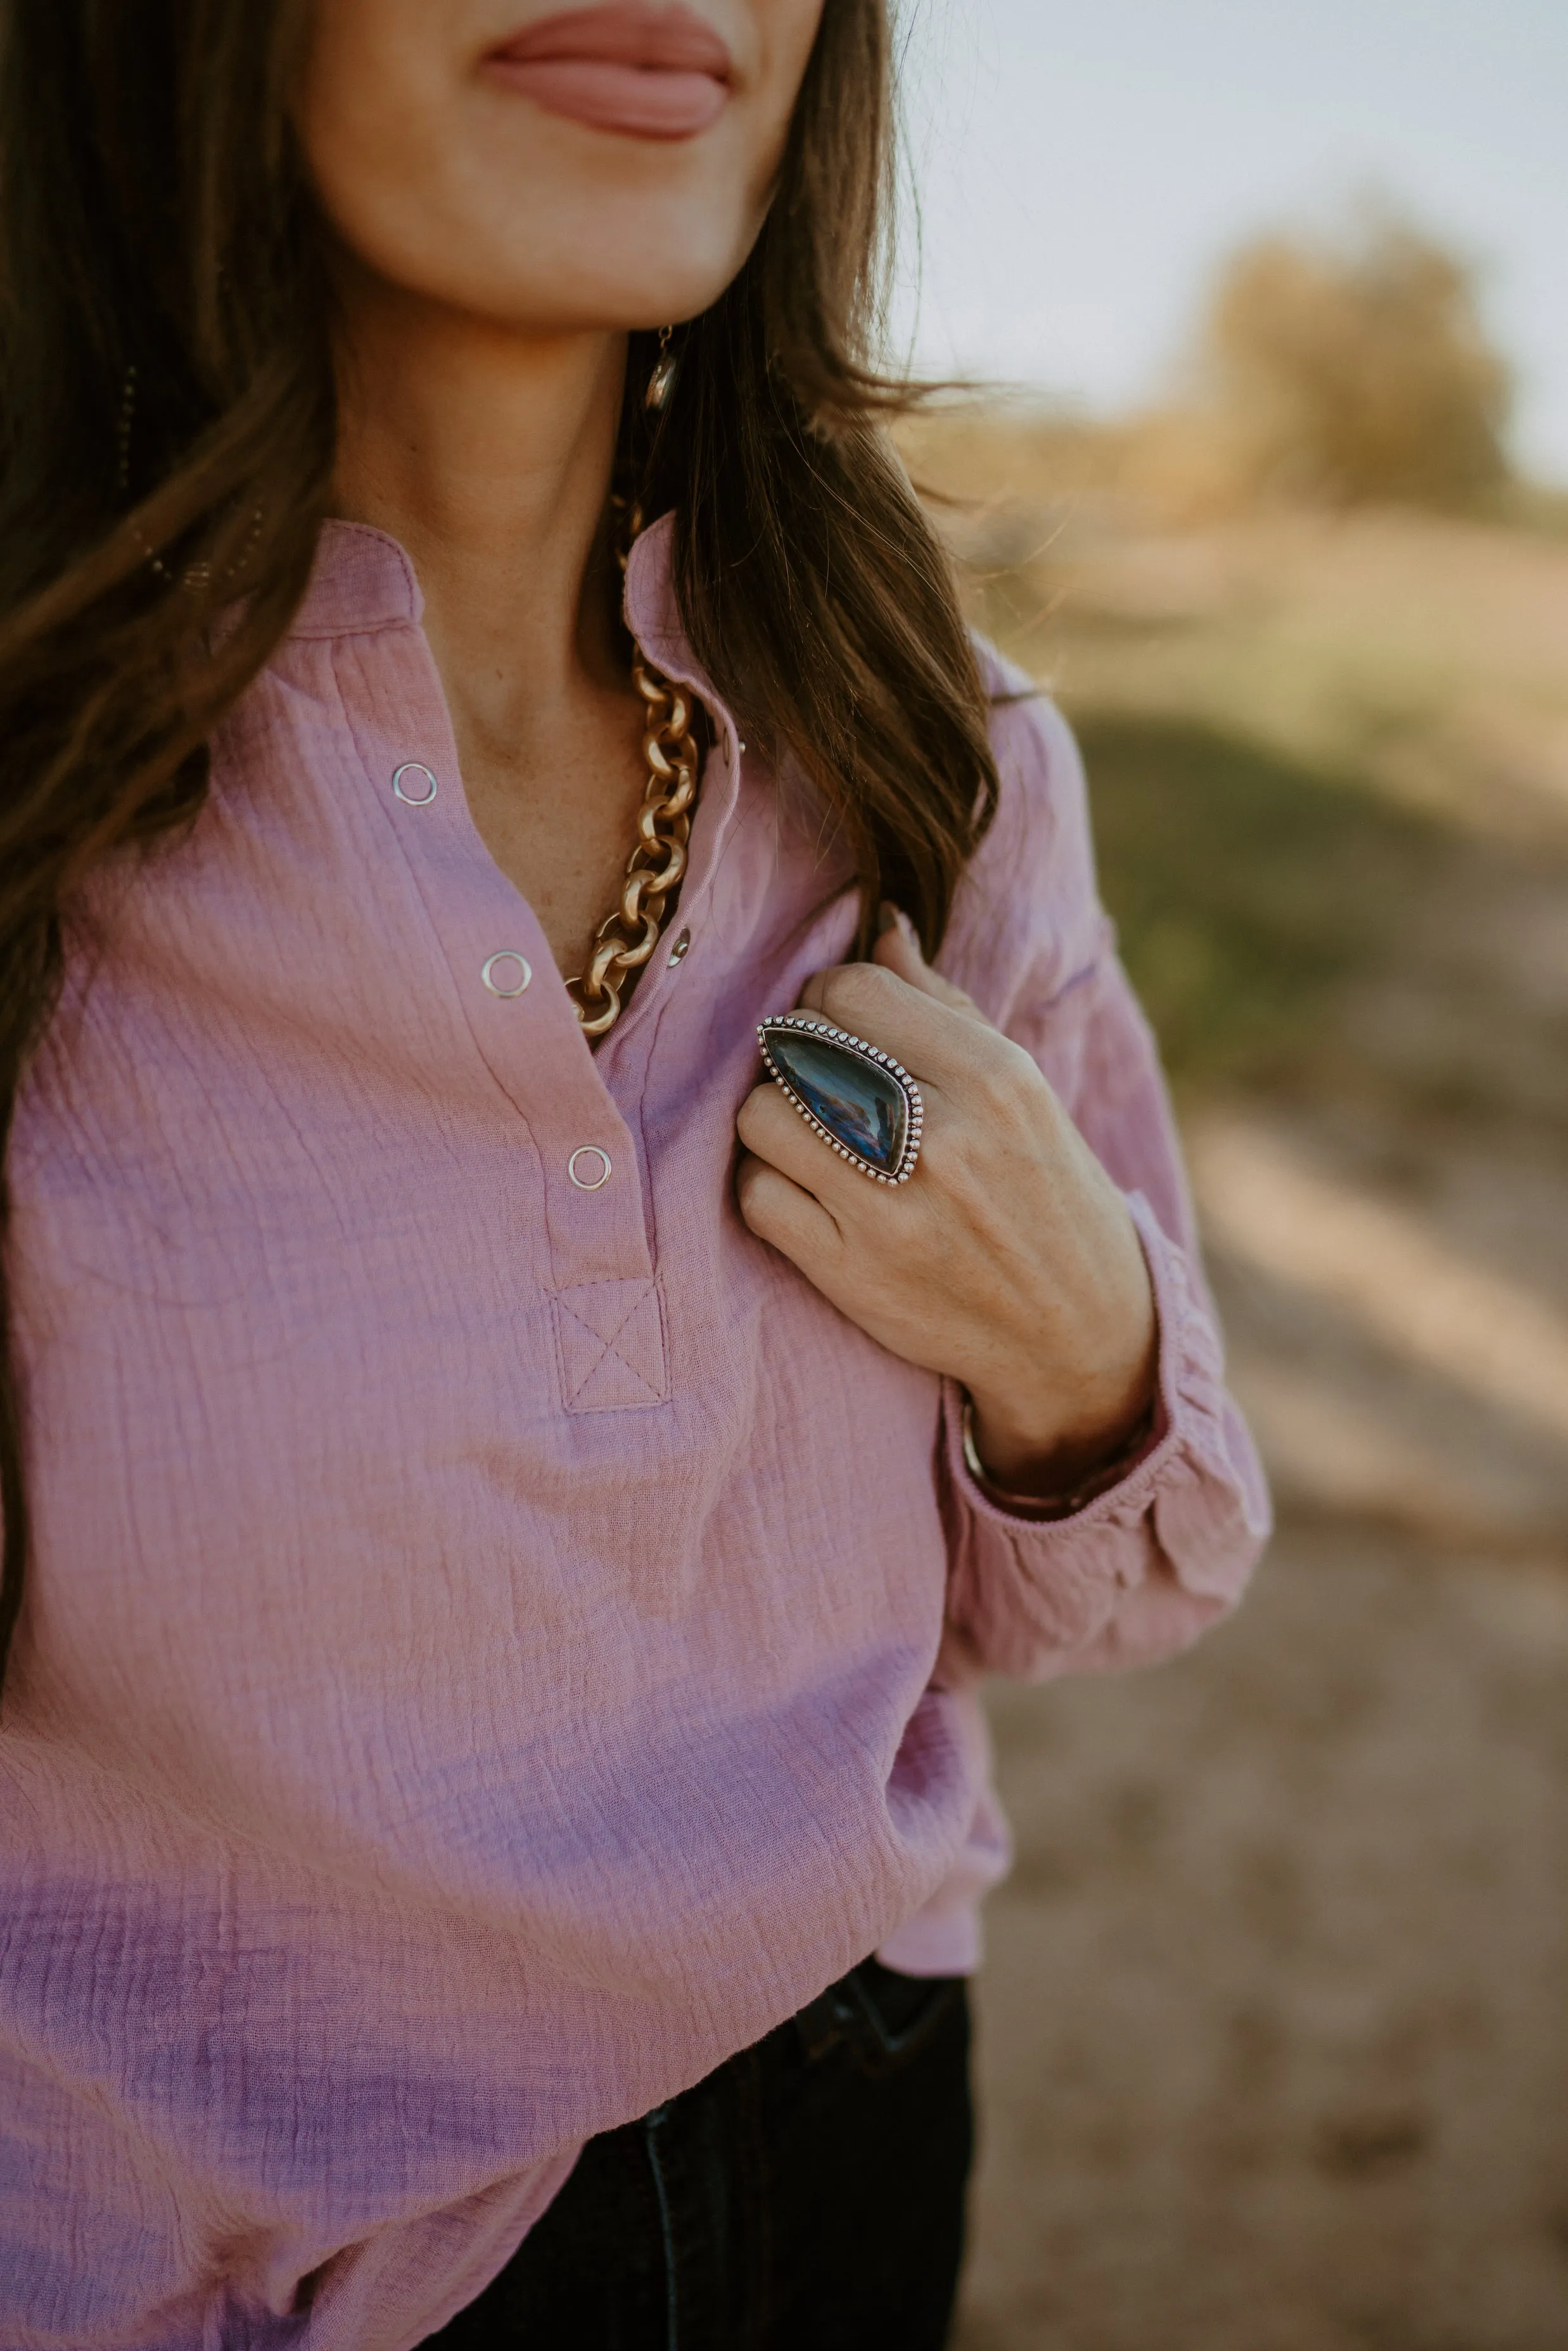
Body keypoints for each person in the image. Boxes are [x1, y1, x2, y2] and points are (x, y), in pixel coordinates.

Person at [0, 3, 1270, 2346]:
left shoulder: (933, 750)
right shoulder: (32, 813)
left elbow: (1115, 1591)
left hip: (855, 2113)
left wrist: (1081, 1342)